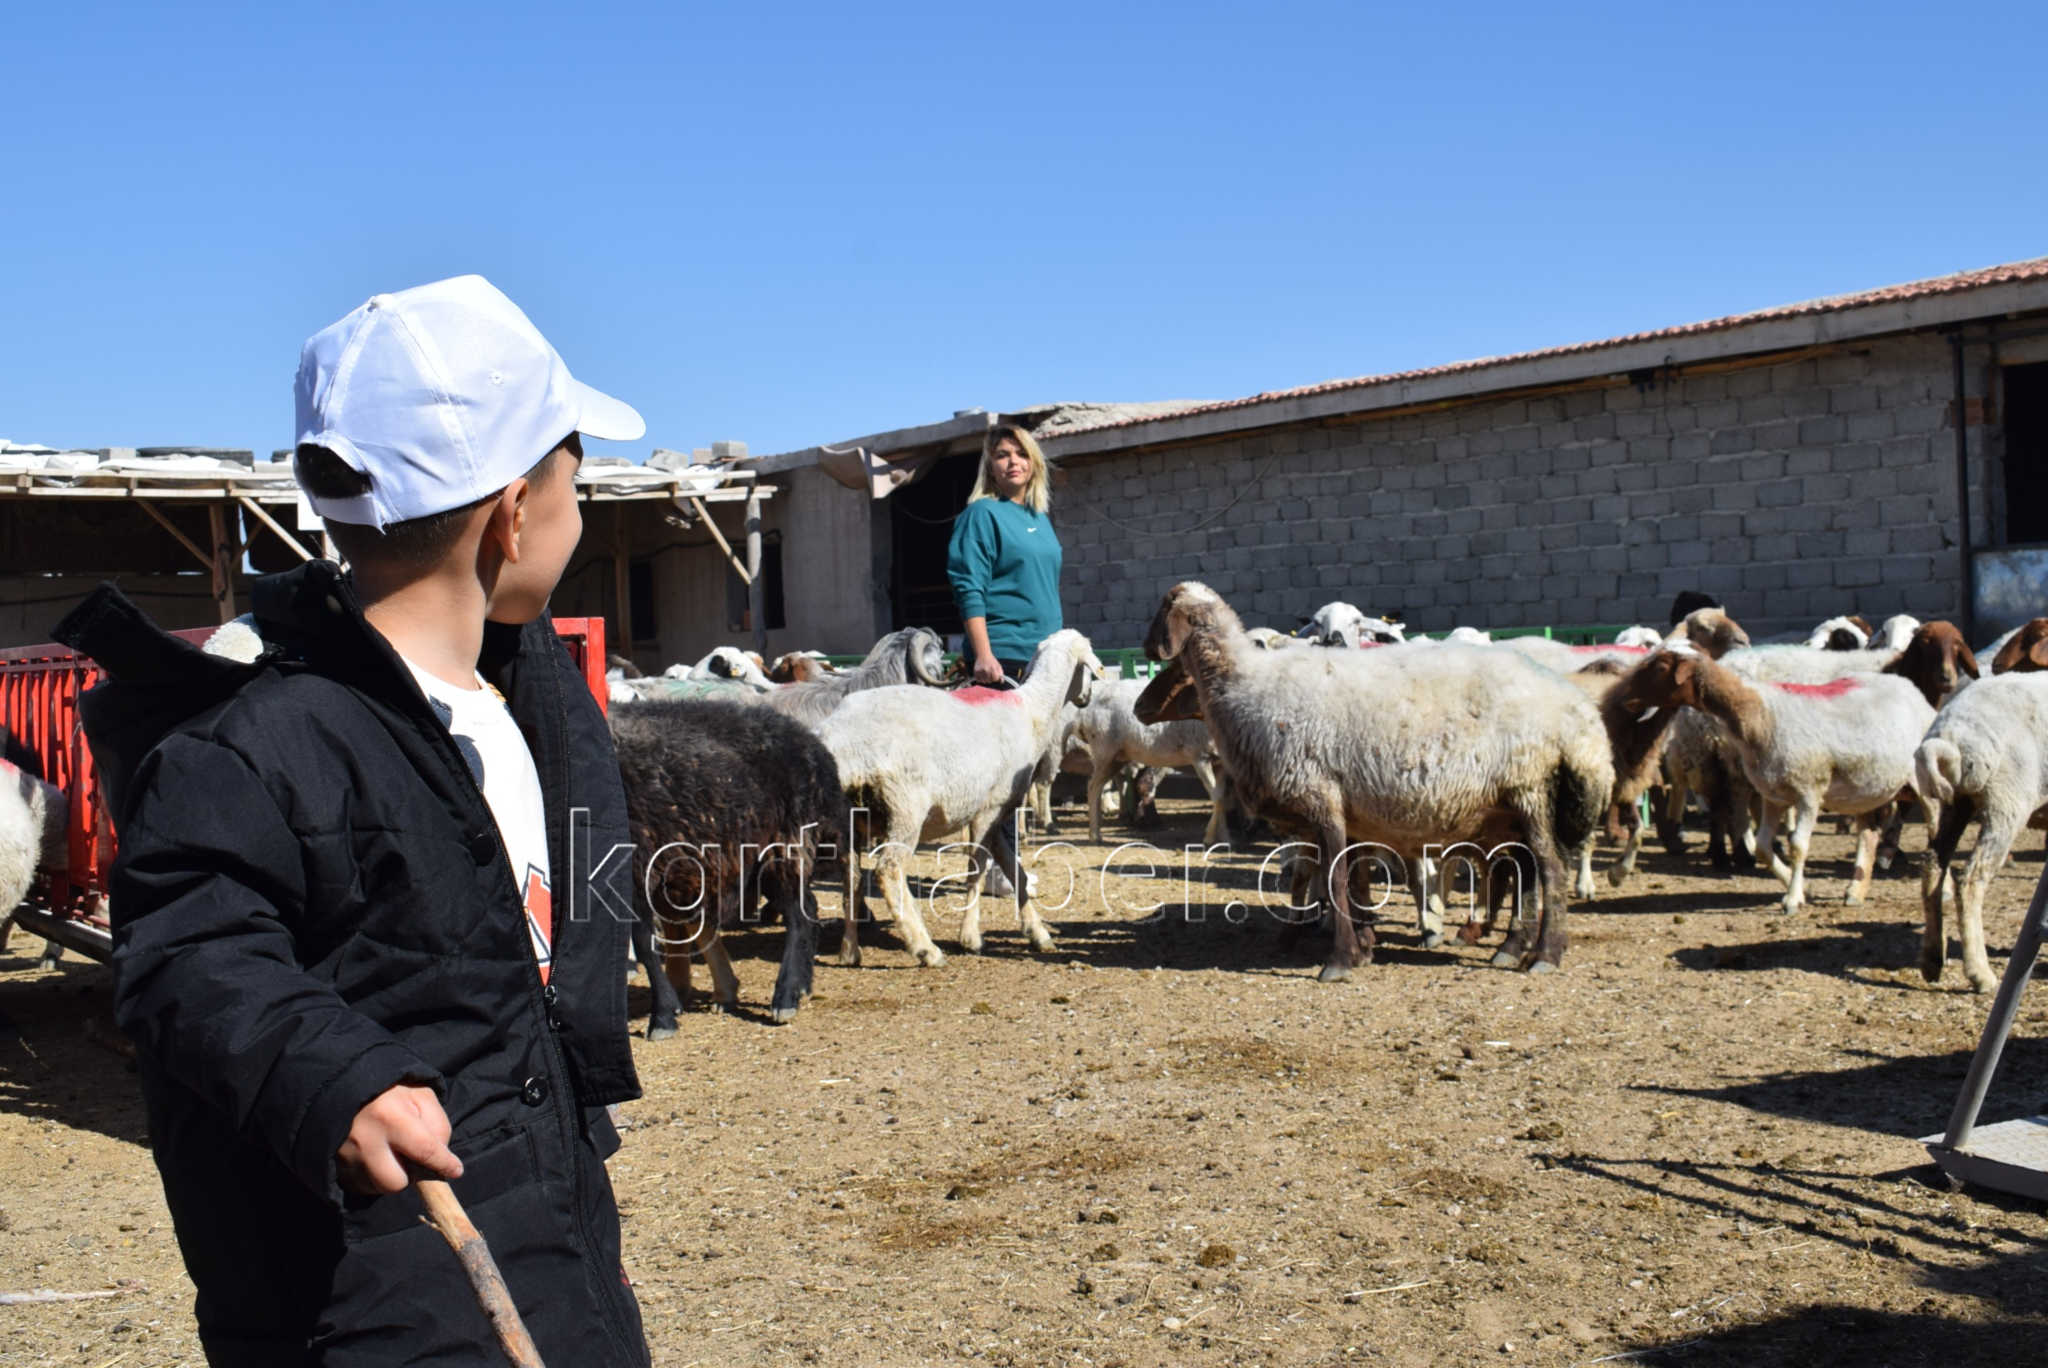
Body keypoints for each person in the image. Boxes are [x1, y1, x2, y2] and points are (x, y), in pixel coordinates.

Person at [60, 275, 652, 1367]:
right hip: (379, 1288)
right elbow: (192, 950)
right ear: (514, 510)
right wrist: (334, 1075)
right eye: (577, 477)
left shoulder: (527, 708)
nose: (584, 506)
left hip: (545, 1229)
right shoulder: (253, 744)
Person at [947, 424, 1063, 683]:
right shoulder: (981, 513)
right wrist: (983, 655)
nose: (1014, 461)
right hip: (1003, 660)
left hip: (1049, 655)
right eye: (1002, 455)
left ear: (1034, 462)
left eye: (1022, 454)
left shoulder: (1040, 519)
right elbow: (969, 588)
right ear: (990, 467)